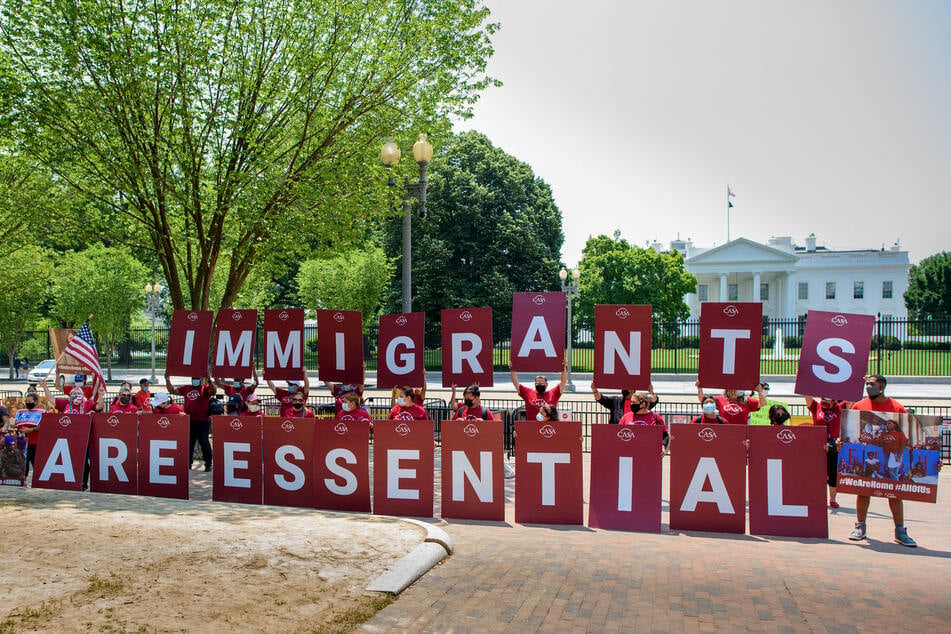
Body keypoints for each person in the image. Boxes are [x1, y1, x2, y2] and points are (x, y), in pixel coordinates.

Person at [847, 374, 927, 547]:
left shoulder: (896, 407)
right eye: (867, 384)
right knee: (863, 490)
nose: (868, 387)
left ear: (882, 387)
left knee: (894, 492)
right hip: (869, 453)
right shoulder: (859, 406)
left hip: (890, 456)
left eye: (872, 384)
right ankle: (860, 527)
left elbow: (906, 436)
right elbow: (852, 431)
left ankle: (900, 531)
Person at [166, 372, 215, 472]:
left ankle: (208, 464)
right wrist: (167, 379)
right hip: (189, 421)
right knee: (189, 443)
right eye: (194, 377)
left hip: (203, 421)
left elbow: (213, 391)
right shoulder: (186, 388)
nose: (195, 379)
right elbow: (172, 390)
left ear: (201, 379)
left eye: (197, 378)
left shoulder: (205, 388)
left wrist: (209, 381)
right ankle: (188, 464)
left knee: (204, 442)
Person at [804, 395, 844, 508]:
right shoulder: (816, 407)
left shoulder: (839, 408)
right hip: (818, 444)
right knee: (817, 472)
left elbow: (851, 398)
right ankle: (816, 497)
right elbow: (806, 395)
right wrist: (801, 378)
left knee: (833, 473)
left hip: (834, 444)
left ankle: (832, 499)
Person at [695, 380, 766, 425]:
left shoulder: (746, 400)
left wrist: (760, 392)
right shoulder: (720, 399)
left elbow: (762, 404)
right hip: (725, 431)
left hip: (741, 432)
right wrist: (699, 388)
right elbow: (703, 400)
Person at [14, 392, 44, 481]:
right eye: (26, 401)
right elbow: (16, 424)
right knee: (23, 460)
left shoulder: (41, 412)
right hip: (23, 440)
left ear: (35, 402)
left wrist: (31, 430)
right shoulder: (21, 412)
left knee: (35, 461)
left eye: (30, 401)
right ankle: (24, 478)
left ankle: (39, 479)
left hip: (35, 440)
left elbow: (43, 426)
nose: (27, 403)